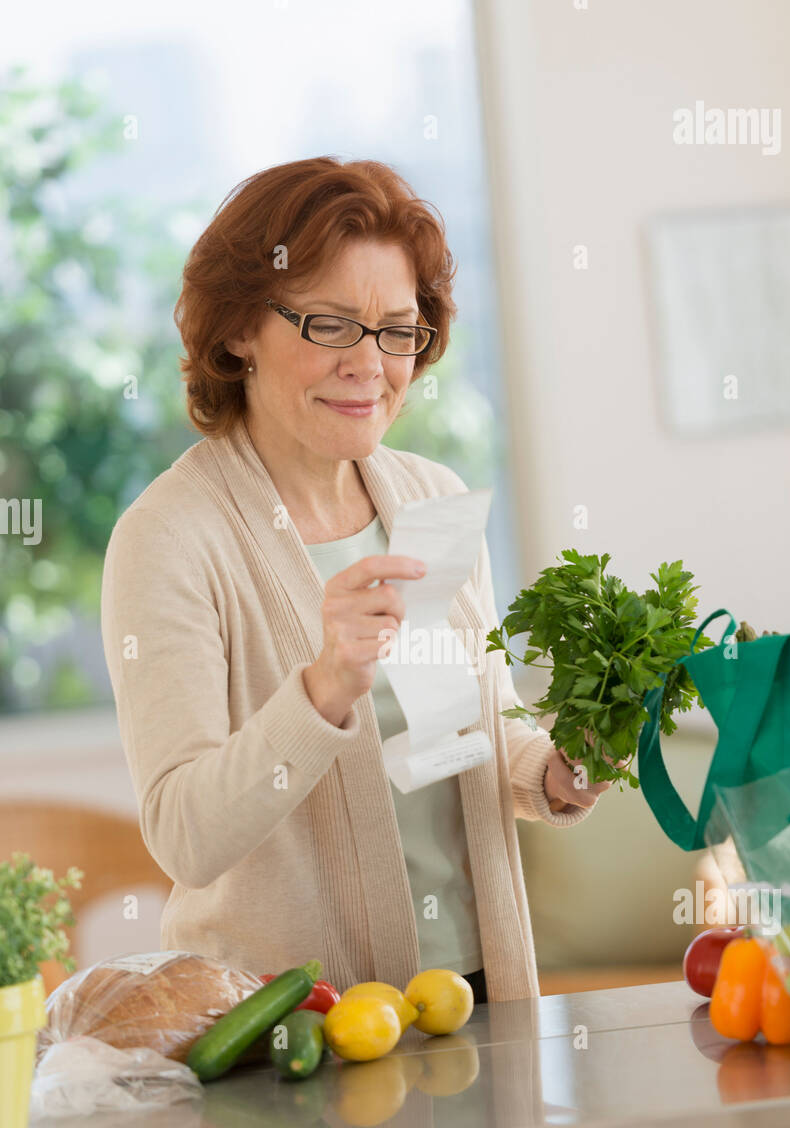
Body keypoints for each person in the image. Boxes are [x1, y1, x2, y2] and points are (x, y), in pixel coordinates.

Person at [100, 157, 613, 1004]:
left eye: (397, 330)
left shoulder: (429, 497)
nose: (370, 365)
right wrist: (325, 686)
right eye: (331, 326)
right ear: (236, 331)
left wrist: (550, 772)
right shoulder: (168, 538)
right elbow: (186, 837)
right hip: (285, 1031)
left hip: (473, 998)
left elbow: (450, 739)